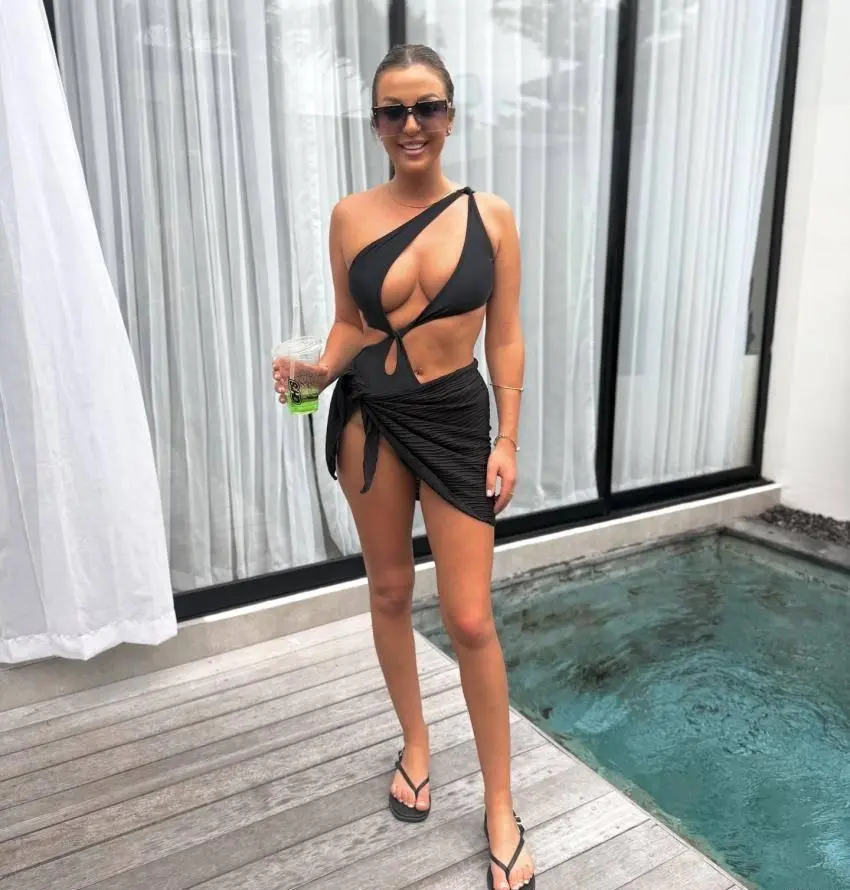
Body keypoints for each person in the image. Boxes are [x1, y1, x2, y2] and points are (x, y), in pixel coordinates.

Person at [273, 44, 534, 890]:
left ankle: (501, 807)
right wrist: (317, 371)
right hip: (371, 420)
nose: (411, 124)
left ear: (450, 116)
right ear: (377, 124)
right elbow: (351, 326)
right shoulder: (350, 216)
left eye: (427, 107)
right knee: (389, 591)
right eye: (394, 111)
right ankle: (416, 747)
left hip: (456, 423)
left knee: (469, 618)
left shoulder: (492, 217)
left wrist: (507, 438)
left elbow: (505, 335)